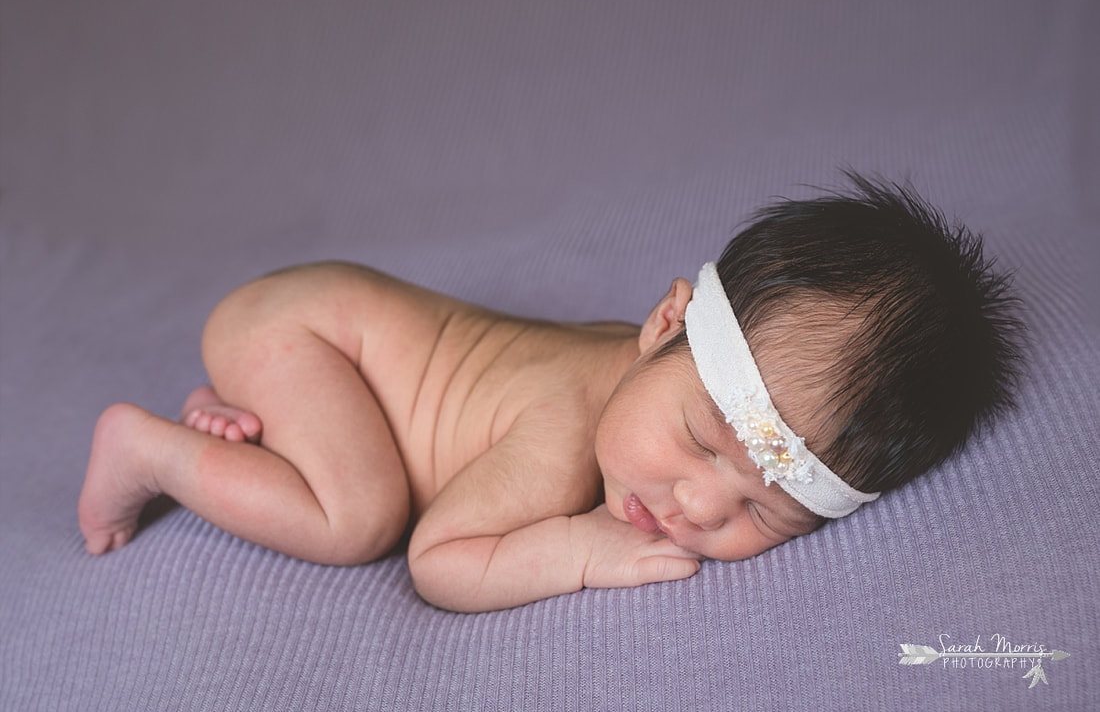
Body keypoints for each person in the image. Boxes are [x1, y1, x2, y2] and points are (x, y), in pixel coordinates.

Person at [77, 173, 1023, 612]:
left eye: (763, 510)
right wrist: (576, 549)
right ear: (665, 324)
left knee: (355, 458)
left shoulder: (647, 375)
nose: (695, 505)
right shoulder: (564, 428)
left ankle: (250, 412)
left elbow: (709, 450)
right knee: (357, 518)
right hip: (307, 334)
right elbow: (440, 563)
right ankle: (152, 449)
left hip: (315, 339)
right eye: (699, 441)